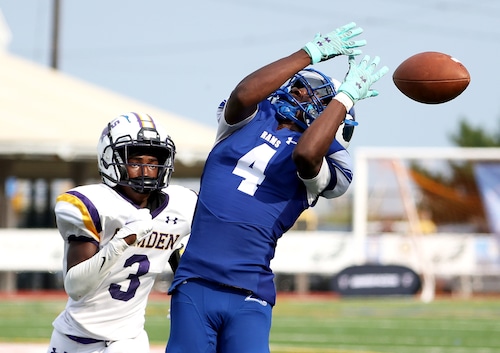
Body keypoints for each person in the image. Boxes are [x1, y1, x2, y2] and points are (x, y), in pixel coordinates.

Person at [165, 22, 388, 353]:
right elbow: (243, 94)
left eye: (311, 93)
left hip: (249, 293)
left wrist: (344, 97)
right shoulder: (249, 120)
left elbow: (307, 154)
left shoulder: (331, 164)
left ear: (332, 117)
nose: (297, 91)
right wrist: (308, 54)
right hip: (194, 281)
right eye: (299, 87)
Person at [47, 112, 197, 353]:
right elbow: (75, 287)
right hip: (70, 337)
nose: (146, 171)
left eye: (153, 162)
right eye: (136, 161)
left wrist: (190, 295)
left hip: (128, 340)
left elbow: (183, 251)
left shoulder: (182, 205)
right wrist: (122, 241)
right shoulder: (93, 204)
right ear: (111, 159)